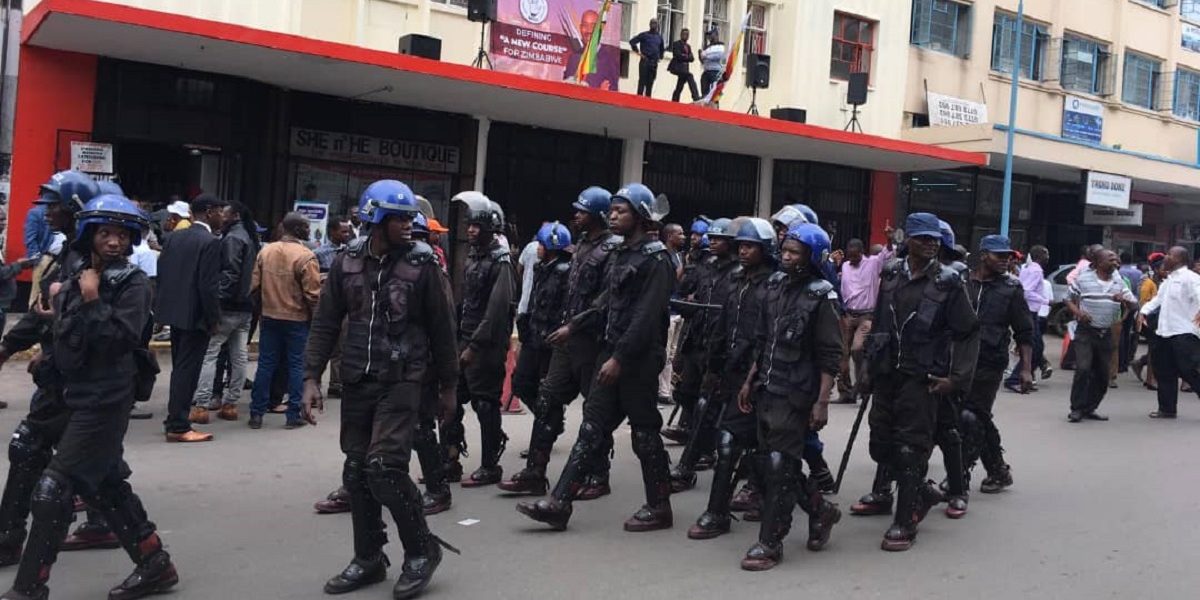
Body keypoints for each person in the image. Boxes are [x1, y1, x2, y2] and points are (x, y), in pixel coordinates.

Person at [1, 194, 179, 600]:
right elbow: (64, 327)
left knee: (54, 489)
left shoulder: (132, 284)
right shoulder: (76, 270)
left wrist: (94, 299)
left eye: (121, 234)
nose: (113, 242)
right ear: (89, 235)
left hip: (104, 399)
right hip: (67, 392)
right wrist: (46, 348)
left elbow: (121, 340)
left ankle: (29, 588)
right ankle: (155, 563)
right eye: (105, 233)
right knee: (102, 482)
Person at [303, 179, 459, 600]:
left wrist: (448, 388)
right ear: (376, 219)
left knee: (384, 468)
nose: (410, 225)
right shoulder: (347, 261)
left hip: (405, 380)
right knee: (355, 471)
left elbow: (444, 331)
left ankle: (421, 550)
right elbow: (326, 321)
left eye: (411, 217)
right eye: (400, 218)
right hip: (358, 378)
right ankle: (369, 558)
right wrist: (310, 377)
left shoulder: (424, 265)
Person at [517, 183, 674, 532]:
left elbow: (645, 318)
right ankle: (559, 502)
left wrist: (618, 358)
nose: (613, 216)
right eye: (613, 210)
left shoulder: (657, 259)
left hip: (637, 360)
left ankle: (660, 505)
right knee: (591, 428)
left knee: (645, 433)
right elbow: (605, 302)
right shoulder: (620, 254)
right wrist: (575, 327)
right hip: (611, 352)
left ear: (641, 216)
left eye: (622, 211)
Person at [861, 212, 979, 551]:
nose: (930, 243)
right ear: (906, 240)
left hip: (923, 377)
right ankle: (923, 492)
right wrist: (868, 365)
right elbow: (881, 320)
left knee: (911, 448)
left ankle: (905, 520)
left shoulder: (947, 281)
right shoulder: (890, 273)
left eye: (934, 239)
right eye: (922, 238)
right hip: (887, 374)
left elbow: (968, 331)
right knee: (881, 444)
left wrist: (955, 379)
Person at [732, 221, 843, 571]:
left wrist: (822, 401)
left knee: (781, 465)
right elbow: (763, 340)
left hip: (797, 393)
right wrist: (750, 380)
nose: (787, 256)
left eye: (796, 252)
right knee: (769, 463)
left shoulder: (821, 296)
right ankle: (821, 510)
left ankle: (771, 542)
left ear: (812, 257)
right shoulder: (774, 286)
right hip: (767, 387)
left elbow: (830, 354)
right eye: (786, 249)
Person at [498, 188, 617, 499]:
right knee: (548, 399)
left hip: (592, 341)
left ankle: (598, 474)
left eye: (583, 210)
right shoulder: (581, 248)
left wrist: (574, 325)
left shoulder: (611, 250)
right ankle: (535, 472)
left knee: (595, 410)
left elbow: (605, 300)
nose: (576, 214)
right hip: (568, 341)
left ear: (599, 214)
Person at [686, 217, 773, 540]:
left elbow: (767, 337)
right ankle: (718, 511)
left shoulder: (772, 286)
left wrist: (754, 377)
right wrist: (713, 365)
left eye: (751, 246)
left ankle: (813, 505)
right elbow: (722, 326)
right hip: (731, 374)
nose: (744, 251)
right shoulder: (734, 280)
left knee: (765, 451)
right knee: (736, 445)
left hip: (761, 379)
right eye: (742, 246)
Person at [443, 193, 517, 487]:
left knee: (485, 404)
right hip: (464, 338)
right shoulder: (473, 256)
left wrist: (474, 346)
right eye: (469, 225)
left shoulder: (501, 261)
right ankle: (449, 459)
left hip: (485, 346)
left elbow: (497, 309)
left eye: (477, 226)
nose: (471, 230)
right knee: (450, 400)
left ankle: (490, 465)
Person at [959, 236, 1033, 507]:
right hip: (958, 360)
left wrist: (1025, 369)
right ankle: (998, 470)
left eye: (1009, 256)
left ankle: (960, 477)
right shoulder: (963, 281)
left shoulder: (1012, 289)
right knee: (971, 416)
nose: (1006, 260)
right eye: (999, 255)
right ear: (983, 255)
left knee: (972, 416)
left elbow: (1025, 332)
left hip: (991, 361)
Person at [668, 218, 739, 490]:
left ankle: (692, 461)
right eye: (712, 237)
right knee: (686, 394)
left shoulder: (738, 273)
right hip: (697, 340)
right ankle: (701, 443)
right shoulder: (705, 266)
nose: (713, 242)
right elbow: (687, 292)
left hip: (720, 348)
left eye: (720, 238)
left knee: (707, 405)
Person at [503, 222, 572, 481]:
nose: (537, 249)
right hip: (534, 335)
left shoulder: (566, 272)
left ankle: (541, 445)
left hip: (552, 341)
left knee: (546, 396)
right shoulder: (542, 268)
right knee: (521, 383)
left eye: (541, 245)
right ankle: (552, 420)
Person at [157, 193, 227, 443]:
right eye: (220, 211)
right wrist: (213, 318)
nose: (223, 216)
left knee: (180, 369)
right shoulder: (210, 242)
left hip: (174, 313)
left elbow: (163, 272)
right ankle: (178, 424)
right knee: (188, 371)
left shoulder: (174, 236)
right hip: (196, 316)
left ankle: (174, 417)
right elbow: (208, 286)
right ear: (209, 212)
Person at [187, 201, 259, 425]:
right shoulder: (248, 236)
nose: (220, 215)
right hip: (246, 306)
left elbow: (230, 272)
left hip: (229, 306)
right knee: (238, 355)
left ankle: (201, 404)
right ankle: (231, 403)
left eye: (224, 212)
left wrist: (215, 301)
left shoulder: (233, 238)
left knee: (211, 353)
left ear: (235, 215)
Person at [248, 212, 321, 430]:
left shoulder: (266, 251)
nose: (310, 231)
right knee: (296, 365)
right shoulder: (306, 256)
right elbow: (313, 295)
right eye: (307, 227)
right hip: (297, 319)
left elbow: (253, 286)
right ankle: (293, 415)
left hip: (270, 316)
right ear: (298, 230)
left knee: (265, 364)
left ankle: (256, 413)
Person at [1064, 249, 1137, 423]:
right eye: (1110, 259)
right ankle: (1076, 409)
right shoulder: (1083, 279)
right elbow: (1067, 298)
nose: (1115, 261)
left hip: (1106, 332)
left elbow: (1134, 305)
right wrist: (1079, 312)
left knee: (1103, 374)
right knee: (1083, 368)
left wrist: (1124, 301)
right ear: (1097, 262)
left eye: (1116, 259)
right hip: (1086, 331)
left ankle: (1090, 408)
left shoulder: (1119, 281)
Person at [661, 216, 715, 444]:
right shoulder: (695, 263)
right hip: (696, 331)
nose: (692, 238)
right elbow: (682, 287)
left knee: (708, 393)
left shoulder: (729, 270)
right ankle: (686, 427)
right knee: (686, 388)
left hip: (714, 337)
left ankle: (704, 439)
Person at [836, 230, 895, 404]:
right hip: (847, 314)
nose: (852, 259)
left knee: (857, 348)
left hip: (866, 315)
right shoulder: (845, 266)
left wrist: (889, 240)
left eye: (855, 256)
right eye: (850, 256)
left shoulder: (872, 264)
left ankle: (863, 384)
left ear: (862, 253)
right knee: (842, 355)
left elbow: (887, 254)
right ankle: (846, 392)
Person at [1141, 247, 1200, 419]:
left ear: (1180, 259)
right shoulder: (1168, 280)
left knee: (1188, 370)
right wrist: (1143, 312)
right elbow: (1158, 300)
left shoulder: (1191, 278)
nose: (1166, 257)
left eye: (1170, 255)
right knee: (1164, 370)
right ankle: (1167, 409)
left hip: (1184, 332)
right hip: (1164, 332)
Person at [1005, 245, 1049, 393]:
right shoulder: (1035, 270)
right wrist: (1045, 300)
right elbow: (1026, 291)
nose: (1048, 257)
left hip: (1030, 311)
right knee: (1034, 346)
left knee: (1036, 346)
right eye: (1046, 254)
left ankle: (1024, 376)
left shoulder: (1028, 267)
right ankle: (1015, 378)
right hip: (1029, 311)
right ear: (1040, 255)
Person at [629, 18, 665, 97]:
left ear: (657, 25)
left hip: (654, 62)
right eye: (652, 23)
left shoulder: (659, 37)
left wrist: (660, 57)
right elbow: (632, 42)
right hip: (645, 60)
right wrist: (638, 52)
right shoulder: (644, 35)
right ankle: (639, 98)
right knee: (642, 80)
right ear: (649, 25)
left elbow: (662, 49)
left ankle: (648, 99)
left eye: (655, 23)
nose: (653, 25)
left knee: (650, 82)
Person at [668, 28, 699, 102]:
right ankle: (696, 97)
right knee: (689, 76)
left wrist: (685, 56)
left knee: (680, 85)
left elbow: (692, 59)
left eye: (687, 34)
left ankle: (674, 100)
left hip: (684, 69)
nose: (685, 36)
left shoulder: (688, 46)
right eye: (684, 34)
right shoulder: (676, 44)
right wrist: (687, 57)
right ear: (681, 35)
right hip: (677, 67)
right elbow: (678, 55)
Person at [699, 29, 726, 98]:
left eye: (711, 34)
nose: (709, 37)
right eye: (709, 35)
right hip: (706, 71)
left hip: (715, 72)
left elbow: (718, 56)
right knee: (704, 91)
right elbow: (703, 60)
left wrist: (706, 56)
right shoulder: (707, 47)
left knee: (715, 93)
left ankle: (715, 107)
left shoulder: (720, 46)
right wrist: (700, 55)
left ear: (716, 35)